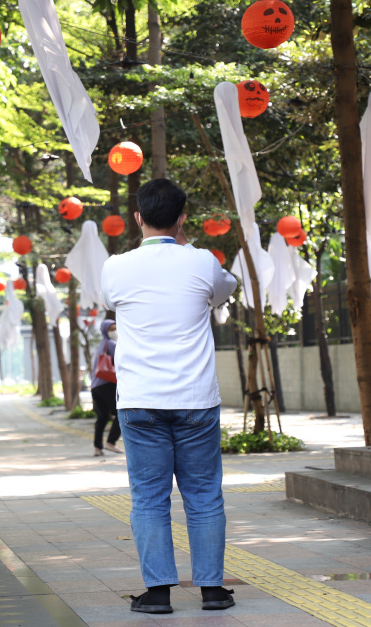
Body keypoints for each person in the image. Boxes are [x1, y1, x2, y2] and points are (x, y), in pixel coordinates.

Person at [100, 178, 240, 614]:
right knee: (204, 495)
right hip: (196, 400)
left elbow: (108, 303)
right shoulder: (202, 261)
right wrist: (186, 244)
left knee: (148, 497)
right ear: (183, 219)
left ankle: (158, 593)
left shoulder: (116, 267)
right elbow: (227, 288)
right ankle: (212, 590)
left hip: (140, 400)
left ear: (137, 218)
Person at [91, 318, 122, 457]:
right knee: (120, 413)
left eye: (115, 328)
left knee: (102, 417)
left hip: (95, 386)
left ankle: (97, 447)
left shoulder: (101, 345)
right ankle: (111, 442)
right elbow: (121, 360)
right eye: (111, 329)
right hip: (106, 384)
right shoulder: (111, 344)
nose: (114, 331)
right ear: (105, 331)